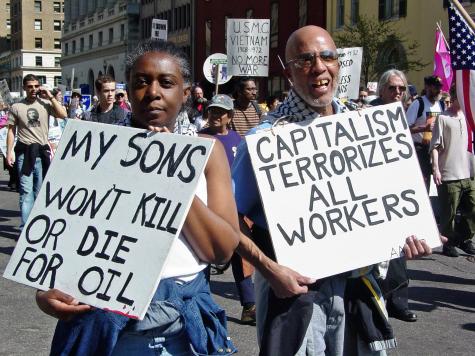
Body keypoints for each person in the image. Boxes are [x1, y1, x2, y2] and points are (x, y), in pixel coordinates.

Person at [232, 25, 433, 356]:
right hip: (294, 295)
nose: (319, 67)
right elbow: (227, 218)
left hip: (358, 291)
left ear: (339, 63)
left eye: (327, 56)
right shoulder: (267, 140)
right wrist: (270, 269)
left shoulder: (366, 127)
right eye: (305, 59)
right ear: (288, 70)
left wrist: (409, 235)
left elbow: (385, 204)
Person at [34, 39, 239, 356]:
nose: (153, 92)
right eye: (141, 82)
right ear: (127, 92)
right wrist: (45, 291)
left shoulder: (209, 154)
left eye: (166, 83)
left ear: (185, 93)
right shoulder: (94, 150)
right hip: (106, 328)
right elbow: (61, 236)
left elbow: (222, 250)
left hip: (183, 329)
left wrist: (171, 177)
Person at [199, 95, 256, 323]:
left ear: (229, 117)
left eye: (220, 112)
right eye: (212, 111)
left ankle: (249, 305)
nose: (214, 116)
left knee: (241, 256)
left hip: (234, 207)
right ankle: (202, 302)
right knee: (203, 254)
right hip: (206, 206)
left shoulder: (236, 139)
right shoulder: (200, 138)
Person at [370, 69, 418, 323]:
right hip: (371, 191)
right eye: (392, 88)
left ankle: (399, 301)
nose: (397, 92)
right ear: (381, 91)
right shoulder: (366, 114)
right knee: (373, 252)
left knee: (400, 247)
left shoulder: (403, 116)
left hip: (397, 189)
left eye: (402, 88)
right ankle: (374, 301)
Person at [6, 74, 67, 227]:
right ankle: (25, 227)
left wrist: (51, 97)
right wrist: (9, 153)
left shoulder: (45, 103)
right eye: (30, 86)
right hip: (24, 154)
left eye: (36, 86)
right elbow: (11, 131)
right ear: (24, 88)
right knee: (26, 193)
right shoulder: (16, 107)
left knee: (39, 192)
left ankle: (36, 226)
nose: (33, 89)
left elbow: (63, 114)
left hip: (41, 154)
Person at [430, 86, 475, 257]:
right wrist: (436, 169)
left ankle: (463, 238)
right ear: (456, 97)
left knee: (473, 209)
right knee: (448, 213)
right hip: (449, 173)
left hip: (469, 172)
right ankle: (448, 243)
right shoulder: (443, 118)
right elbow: (434, 146)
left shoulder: (470, 117)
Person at [406, 75, 445, 190]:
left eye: (440, 87)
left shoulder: (441, 104)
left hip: (437, 151)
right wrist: (423, 128)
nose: (439, 90)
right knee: (423, 185)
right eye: (435, 87)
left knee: (440, 185)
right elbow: (405, 129)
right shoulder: (418, 103)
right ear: (427, 87)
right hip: (420, 151)